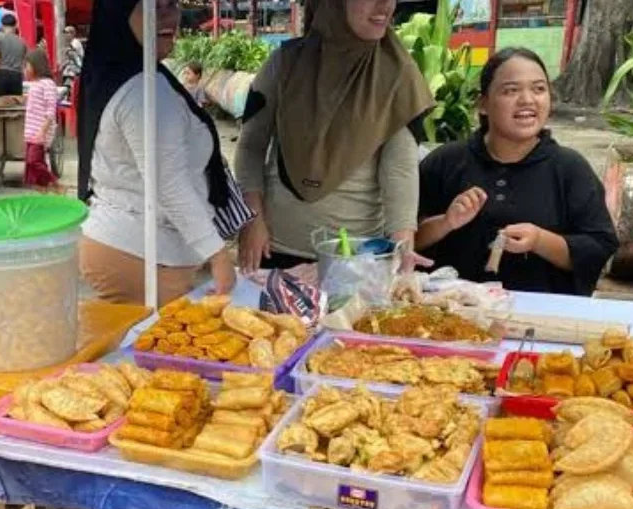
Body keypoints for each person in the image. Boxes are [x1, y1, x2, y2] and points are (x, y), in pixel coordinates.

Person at [233, 0, 432, 272]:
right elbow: (250, 148)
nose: (385, 6)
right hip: (275, 249)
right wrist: (252, 221)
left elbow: (400, 170)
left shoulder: (399, 75)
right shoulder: (284, 64)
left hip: (356, 260)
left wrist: (403, 248)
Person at [415, 48, 619, 296]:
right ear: (483, 104)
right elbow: (403, 241)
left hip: (539, 319)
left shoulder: (570, 169)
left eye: (538, 89)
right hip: (451, 314)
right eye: (511, 90)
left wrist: (540, 240)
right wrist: (446, 222)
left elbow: (599, 248)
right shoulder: (445, 162)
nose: (527, 100)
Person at [77, 0, 238, 305]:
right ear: (121, 15)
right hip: (142, 254)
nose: (168, 14)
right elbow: (168, 183)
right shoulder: (144, 91)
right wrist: (218, 255)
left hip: (135, 247)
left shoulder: (123, 72)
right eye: (154, 4)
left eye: (172, 3)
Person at [22, 49, 59, 190]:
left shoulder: (47, 84)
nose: (25, 69)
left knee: (34, 161)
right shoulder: (35, 84)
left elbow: (50, 111)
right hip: (32, 132)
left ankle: (55, 184)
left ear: (36, 65)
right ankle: (44, 190)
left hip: (40, 132)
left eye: (27, 66)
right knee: (35, 164)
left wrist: (43, 131)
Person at [0, 13, 27, 97]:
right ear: (15, 25)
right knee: (14, 106)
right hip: (17, 76)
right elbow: (24, 63)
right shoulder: (22, 41)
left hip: (2, 75)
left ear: (2, 25)